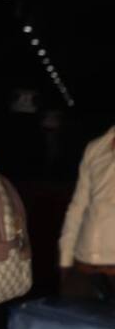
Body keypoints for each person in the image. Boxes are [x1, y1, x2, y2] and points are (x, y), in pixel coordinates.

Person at [58, 127, 115, 302]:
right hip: (83, 266)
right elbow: (77, 208)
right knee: (69, 326)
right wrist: (65, 262)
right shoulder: (97, 147)